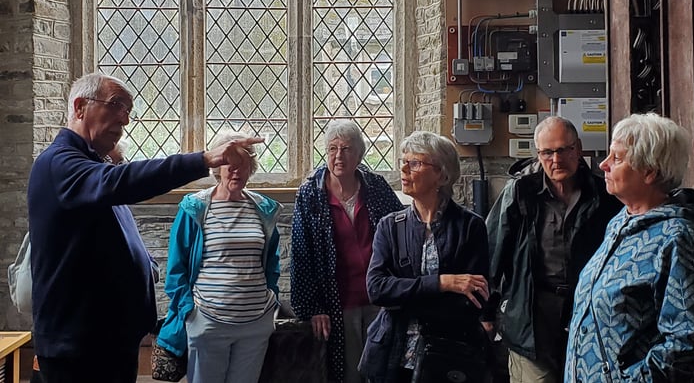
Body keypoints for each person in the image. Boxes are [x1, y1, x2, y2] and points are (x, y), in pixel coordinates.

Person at [27, 72, 263, 383]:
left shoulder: (93, 164)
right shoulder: (59, 163)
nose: (125, 120)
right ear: (81, 106)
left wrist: (144, 266)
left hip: (108, 341)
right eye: (116, 106)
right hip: (79, 348)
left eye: (128, 110)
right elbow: (121, 184)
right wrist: (203, 159)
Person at [565, 113, 694, 382]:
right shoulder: (619, 223)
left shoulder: (678, 236)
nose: (603, 165)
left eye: (617, 158)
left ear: (650, 171)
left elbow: (692, 345)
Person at [485, 116, 622, 383]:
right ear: (538, 154)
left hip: (586, 315)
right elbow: (492, 252)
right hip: (532, 314)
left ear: (578, 148)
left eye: (563, 150)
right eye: (547, 152)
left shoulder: (602, 194)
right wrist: (486, 313)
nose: (556, 160)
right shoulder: (521, 192)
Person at [359, 131, 492, 383]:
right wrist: (443, 283)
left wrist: (403, 297)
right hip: (393, 356)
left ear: (442, 175)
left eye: (415, 163)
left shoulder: (470, 227)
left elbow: (472, 301)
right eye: (403, 161)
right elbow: (376, 290)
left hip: (449, 356)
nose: (404, 169)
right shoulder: (390, 226)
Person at [156, 130, 282, 383]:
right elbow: (176, 268)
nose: (235, 171)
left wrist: (271, 300)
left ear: (251, 168)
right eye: (229, 164)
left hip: (255, 322)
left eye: (242, 165)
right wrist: (190, 312)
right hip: (209, 321)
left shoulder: (263, 209)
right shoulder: (195, 208)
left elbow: (271, 263)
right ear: (217, 167)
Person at [290, 119, 404, 383]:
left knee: (385, 371)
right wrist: (312, 307)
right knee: (349, 373)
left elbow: (401, 231)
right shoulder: (310, 194)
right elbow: (301, 254)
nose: (339, 156)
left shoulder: (375, 187)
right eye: (332, 149)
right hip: (339, 302)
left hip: (381, 297)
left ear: (360, 155)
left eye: (347, 149)